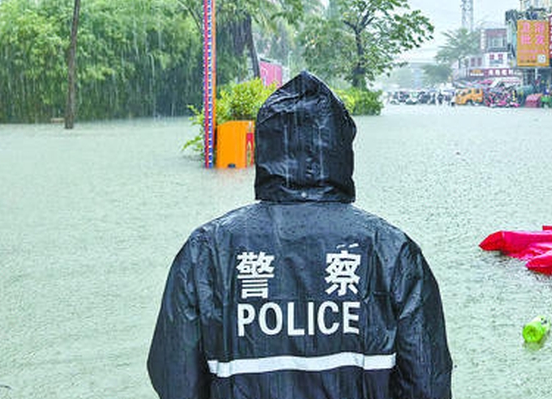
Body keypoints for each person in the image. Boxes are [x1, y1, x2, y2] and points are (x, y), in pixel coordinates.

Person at [147, 71, 453, 399]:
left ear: (264, 148)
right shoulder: (391, 251)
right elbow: (427, 380)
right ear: (341, 149)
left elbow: (175, 376)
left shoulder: (207, 250)